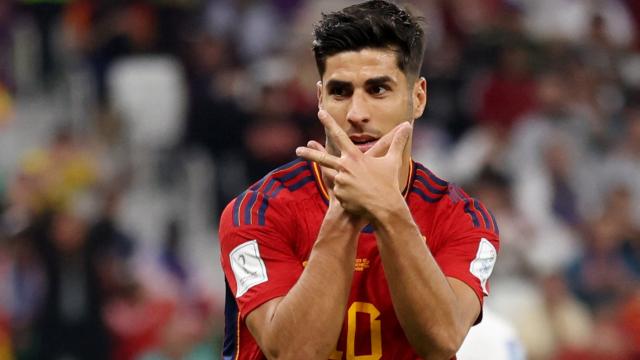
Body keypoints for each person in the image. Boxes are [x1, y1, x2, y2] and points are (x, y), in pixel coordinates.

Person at [219, 1, 500, 359]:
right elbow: (293, 354)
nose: (356, 114)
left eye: (378, 89)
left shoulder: (462, 219)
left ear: (418, 97)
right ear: (320, 98)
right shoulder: (256, 212)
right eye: (340, 92)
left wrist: (388, 211)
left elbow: (441, 340)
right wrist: (346, 212)